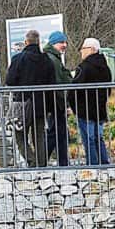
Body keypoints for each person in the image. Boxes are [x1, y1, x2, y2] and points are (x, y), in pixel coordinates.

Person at [5, 29, 56, 167]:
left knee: (20, 135)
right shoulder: (46, 60)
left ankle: (31, 161)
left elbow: (9, 81)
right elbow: (52, 84)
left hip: (21, 104)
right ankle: (42, 164)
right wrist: (50, 106)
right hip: (41, 104)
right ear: (38, 42)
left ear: (26, 42)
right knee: (39, 136)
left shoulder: (18, 59)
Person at [70, 37, 112, 166]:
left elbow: (74, 89)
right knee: (98, 137)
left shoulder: (83, 67)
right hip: (100, 110)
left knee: (89, 139)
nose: (81, 51)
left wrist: (74, 107)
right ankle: (104, 163)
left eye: (84, 48)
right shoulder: (106, 68)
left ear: (92, 50)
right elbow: (108, 89)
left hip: (85, 110)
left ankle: (93, 165)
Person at [44, 30, 73, 167]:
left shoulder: (54, 58)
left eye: (65, 42)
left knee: (59, 134)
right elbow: (59, 82)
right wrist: (65, 103)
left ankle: (62, 162)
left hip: (57, 102)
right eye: (62, 42)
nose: (65, 45)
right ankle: (42, 162)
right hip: (56, 103)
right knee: (55, 133)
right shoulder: (53, 59)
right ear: (54, 43)